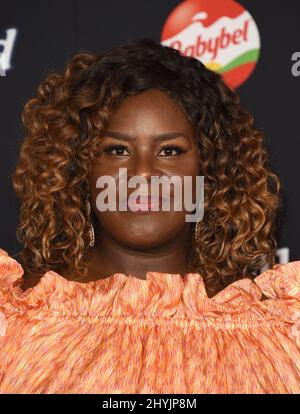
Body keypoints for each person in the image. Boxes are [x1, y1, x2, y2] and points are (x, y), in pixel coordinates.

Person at [0, 38, 299, 394]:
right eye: (118, 150)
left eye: (170, 150)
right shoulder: (15, 318)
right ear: (80, 170)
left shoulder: (279, 334)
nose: (142, 174)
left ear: (211, 173)